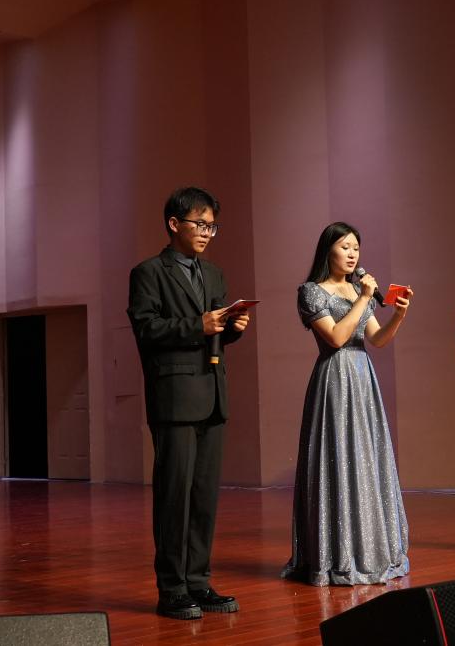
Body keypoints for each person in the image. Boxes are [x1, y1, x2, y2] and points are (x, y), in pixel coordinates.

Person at [127, 186, 251, 620]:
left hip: (213, 396)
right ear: (174, 224)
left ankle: (199, 581)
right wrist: (198, 324)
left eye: (212, 226)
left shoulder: (214, 274)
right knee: (174, 496)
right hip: (175, 398)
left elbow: (214, 334)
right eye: (199, 224)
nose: (206, 232)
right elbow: (147, 329)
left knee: (203, 498)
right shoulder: (148, 273)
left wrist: (231, 328)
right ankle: (172, 589)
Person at [282, 222, 413, 586]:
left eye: (356, 247)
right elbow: (337, 338)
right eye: (345, 246)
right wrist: (363, 299)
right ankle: (334, 553)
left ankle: (370, 548)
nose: (353, 253)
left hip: (362, 378)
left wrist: (398, 314)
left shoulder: (358, 290)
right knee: (337, 458)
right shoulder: (311, 292)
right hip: (335, 378)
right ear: (328, 251)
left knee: (365, 458)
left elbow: (377, 339)